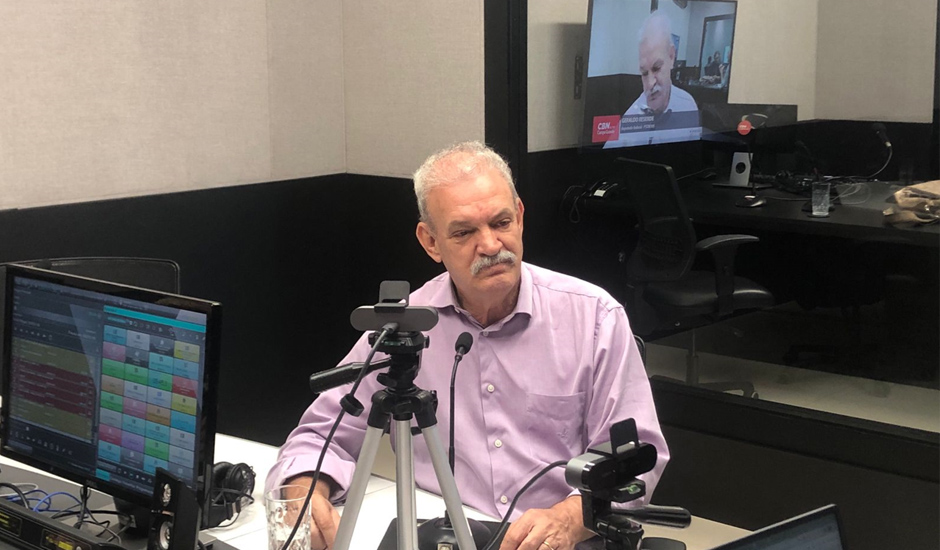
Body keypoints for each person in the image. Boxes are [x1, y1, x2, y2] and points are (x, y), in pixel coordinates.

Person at [266, 141, 668, 550]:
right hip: (442, 537)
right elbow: (323, 433)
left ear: (521, 217)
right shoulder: (403, 328)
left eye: (501, 222)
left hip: (555, 541)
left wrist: (571, 517)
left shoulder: (594, 317)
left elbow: (636, 457)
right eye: (464, 232)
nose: (491, 245)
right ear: (431, 242)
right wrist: (306, 491)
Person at [604, 11, 700, 148]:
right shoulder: (630, 119)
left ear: (671, 56)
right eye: (644, 73)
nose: (650, 84)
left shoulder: (688, 105)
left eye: (656, 68)